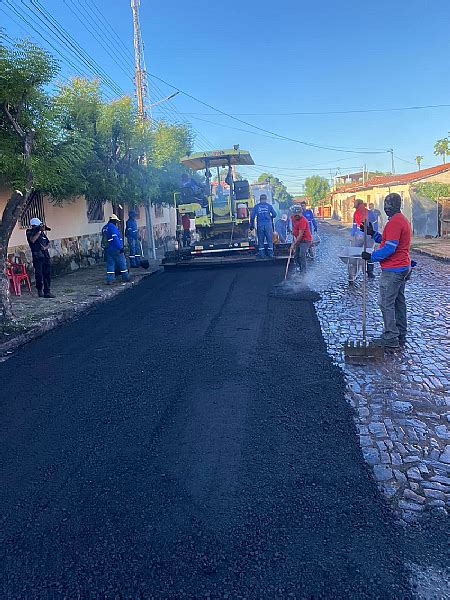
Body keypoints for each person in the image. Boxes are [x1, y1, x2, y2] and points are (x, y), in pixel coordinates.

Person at [361, 193, 412, 348]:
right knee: (398, 302)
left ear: (396, 206)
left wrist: (371, 256)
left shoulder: (395, 222)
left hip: (393, 269)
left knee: (386, 303)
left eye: (388, 205)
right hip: (402, 267)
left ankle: (390, 337)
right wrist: (373, 234)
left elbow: (390, 248)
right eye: (385, 205)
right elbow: (387, 240)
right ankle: (401, 334)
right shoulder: (400, 220)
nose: (385, 208)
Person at [26, 217, 55, 298]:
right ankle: (39, 290)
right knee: (39, 275)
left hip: (45, 256)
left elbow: (48, 243)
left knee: (47, 274)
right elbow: (32, 240)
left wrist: (45, 248)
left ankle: (47, 291)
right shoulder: (29, 232)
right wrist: (38, 232)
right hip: (37, 257)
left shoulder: (42, 233)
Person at [349, 199, 378, 279]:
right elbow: (355, 226)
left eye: (356, 207)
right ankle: (354, 270)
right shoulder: (356, 214)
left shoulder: (370, 213)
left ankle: (370, 272)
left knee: (369, 253)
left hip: (369, 236)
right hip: (359, 237)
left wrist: (375, 234)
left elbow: (375, 225)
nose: (356, 209)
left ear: (360, 205)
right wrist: (352, 235)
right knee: (356, 253)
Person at [102, 214, 130, 284]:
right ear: (114, 220)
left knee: (110, 264)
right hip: (115, 248)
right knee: (122, 262)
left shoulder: (104, 228)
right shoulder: (113, 227)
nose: (116, 223)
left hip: (108, 249)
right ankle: (126, 277)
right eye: (116, 221)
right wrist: (120, 248)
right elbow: (115, 238)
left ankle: (110, 279)